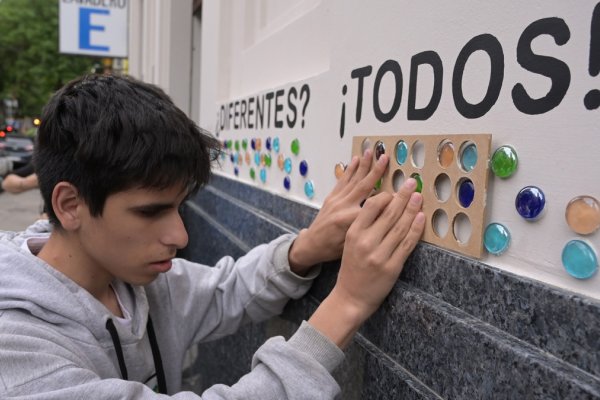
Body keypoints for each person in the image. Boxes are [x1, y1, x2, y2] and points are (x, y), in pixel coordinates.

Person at [0, 74, 425, 399]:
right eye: (151, 211)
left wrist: (305, 248)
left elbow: (226, 291)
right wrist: (348, 303)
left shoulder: (130, 279)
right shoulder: (19, 353)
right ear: (70, 205)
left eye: (179, 206)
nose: (180, 235)